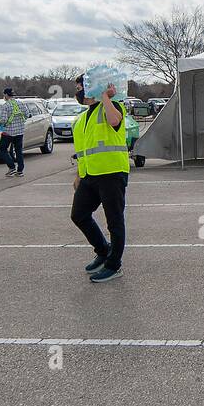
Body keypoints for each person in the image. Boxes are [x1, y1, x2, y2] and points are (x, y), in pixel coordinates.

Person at [69, 75, 130, 284]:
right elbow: (82, 150)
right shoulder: (82, 118)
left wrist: (105, 95)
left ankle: (114, 265)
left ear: (91, 88)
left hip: (112, 173)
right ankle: (103, 251)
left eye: (81, 87)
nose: (78, 91)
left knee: (114, 220)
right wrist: (79, 174)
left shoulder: (113, 106)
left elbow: (114, 121)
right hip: (90, 175)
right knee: (79, 215)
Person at [0, 88, 26, 178]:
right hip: (20, 131)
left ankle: (11, 167)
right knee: (18, 150)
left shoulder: (5, 106)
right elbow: (26, 114)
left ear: (6, 95)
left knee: (3, 149)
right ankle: (20, 170)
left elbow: (4, 120)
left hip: (8, 132)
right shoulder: (20, 103)